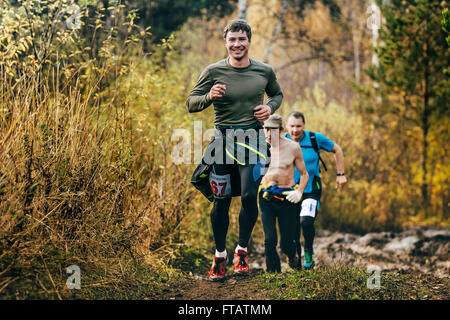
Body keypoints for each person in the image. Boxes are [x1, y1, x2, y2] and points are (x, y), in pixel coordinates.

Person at [186, 19, 284, 281]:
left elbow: (277, 95)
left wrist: (270, 109)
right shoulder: (213, 71)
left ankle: (242, 251)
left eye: (242, 39)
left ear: (249, 41)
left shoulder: (264, 71)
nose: (237, 44)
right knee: (221, 201)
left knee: (250, 196)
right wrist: (209, 97)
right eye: (232, 39)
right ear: (225, 42)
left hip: (252, 141)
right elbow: (191, 103)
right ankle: (219, 256)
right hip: (222, 143)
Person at [284, 111, 347, 269]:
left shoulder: (314, 138)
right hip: (289, 190)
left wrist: (340, 174)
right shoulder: (282, 140)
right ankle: (295, 259)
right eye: (292, 126)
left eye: (298, 126)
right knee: (292, 230)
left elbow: (337, 150)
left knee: (305, 221)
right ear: (286, 126)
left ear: (304, 126)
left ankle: (309, 251)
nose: (295, 130)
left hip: (311, 190)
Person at [258, 114, 309, 273]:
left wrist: (299, 192)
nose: (268, 133)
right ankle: (273, 273)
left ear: (280, 130)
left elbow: (304, 174)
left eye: (272, 129)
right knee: (269, 239)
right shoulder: (257, 147)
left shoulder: (293, 147)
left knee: (288, 241)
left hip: (288, 197)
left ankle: (293, 258)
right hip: (266, 197)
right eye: (266, 129)